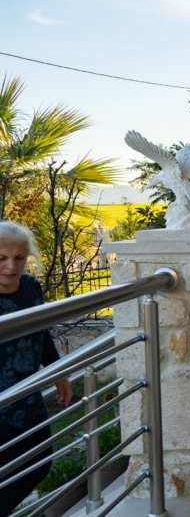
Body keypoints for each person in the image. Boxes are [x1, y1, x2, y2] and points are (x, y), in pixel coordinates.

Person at [0, 221, 72, 515]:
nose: (10, 266)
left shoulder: (31, 288)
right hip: (1, 404)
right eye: (1, 258)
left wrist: (59, 372)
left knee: (40, 462)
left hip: (28, 396)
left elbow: (40, 334)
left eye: (18, 258)